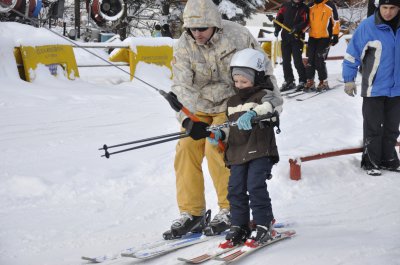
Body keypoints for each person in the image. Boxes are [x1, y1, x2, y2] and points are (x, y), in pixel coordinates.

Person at [164, 0, 272, 239]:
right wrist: (186, 120)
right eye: (192, 29)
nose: (197, 33)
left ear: (214, 23)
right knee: (186, 147)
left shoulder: (238, 36)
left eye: (202, 28)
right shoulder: (185, 45)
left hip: (232, 103)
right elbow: (181, 85)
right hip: (199, 105)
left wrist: (269, 105)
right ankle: (193, 212)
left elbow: (263, 70)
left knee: (217, 146)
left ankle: (229, 208)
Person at [207, 48, 283, 246]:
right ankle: (239, 225)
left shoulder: (265, 95)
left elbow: (273, 105)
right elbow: (229, 127)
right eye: (236, 81)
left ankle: (263, 223)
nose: (239, 85)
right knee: (235, 189)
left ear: (256, 79)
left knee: (255, 186)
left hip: (259, 150)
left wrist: (254, 114)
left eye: (244, 81)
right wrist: (219, 134)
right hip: (238, 152)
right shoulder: (232, 102)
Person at [342, 0, 400, 176]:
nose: (388, 12)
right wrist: (349, 79)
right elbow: (353, 54)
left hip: (397, 88)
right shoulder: (368, 26)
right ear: (378, 7)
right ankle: (371, 161)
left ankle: (389, 159)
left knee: (392, 127)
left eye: (392, 8)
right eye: (384, 8)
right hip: (374, 87)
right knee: (373, 127)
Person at [303, 0, 340, 92]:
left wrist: (335, 35)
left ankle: (323, 81)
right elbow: (307, 22)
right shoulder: (310, 6)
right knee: (310, 60)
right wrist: (301, 30)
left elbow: (335, 21)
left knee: (319, 59)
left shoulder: (330, 5)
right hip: (312, 37)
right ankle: (310, 81)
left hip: (325, 37)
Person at [274, 0, 309, 92]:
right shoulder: (285, 5)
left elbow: (306, 22)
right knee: (285, 61)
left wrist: (297, 28)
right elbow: (279, 17)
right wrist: (277, 28)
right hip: (285, 38)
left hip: (297, 38)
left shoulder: (304, 8)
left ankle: (303, 80)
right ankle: (289, 81)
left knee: (297, 61)